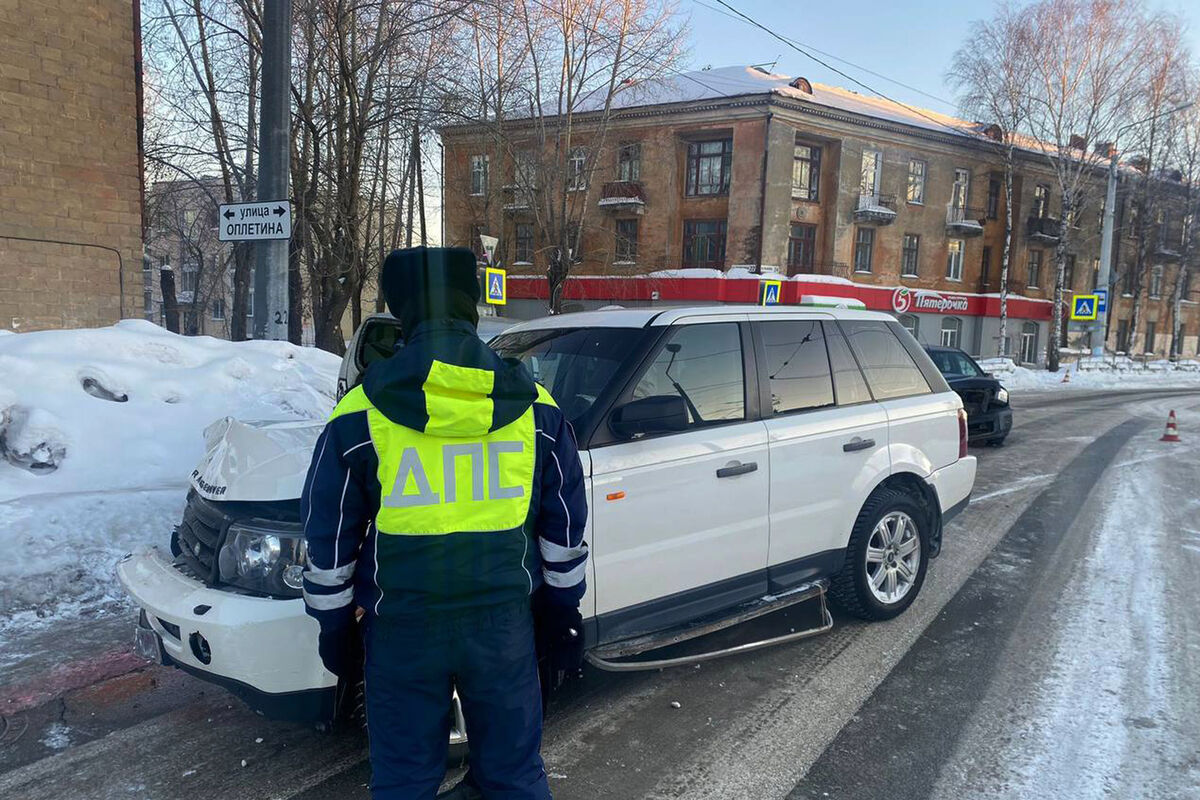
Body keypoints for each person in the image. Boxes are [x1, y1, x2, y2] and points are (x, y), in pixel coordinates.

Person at [301, 246, 589, 799]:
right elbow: (565, 527)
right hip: (504, 627)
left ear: (402, 310)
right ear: (472, 305)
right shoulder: (538, 408)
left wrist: (333, 626)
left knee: (405, 781)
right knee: (513, 777)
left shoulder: (358, 414)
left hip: (402, 629)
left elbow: (329, 537)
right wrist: (563, 610)